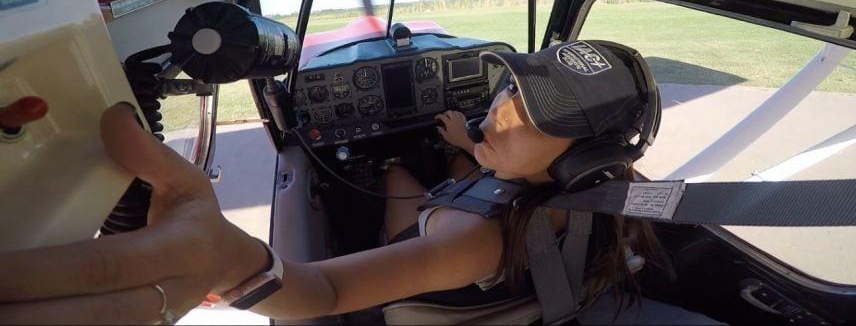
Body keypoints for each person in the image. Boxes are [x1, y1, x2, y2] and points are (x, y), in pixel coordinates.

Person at [0, 40, 669, 324]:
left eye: (527, 117)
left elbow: (326, 290)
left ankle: (382, 171)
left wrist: (228, 259)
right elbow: (505, 162)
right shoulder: (619, 193)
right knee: (464, 162)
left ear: (583, 158)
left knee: (403, 174)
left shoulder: (469, 239)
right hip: (534, 281)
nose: (495, 111)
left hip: (446, 265)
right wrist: (471, 146)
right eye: (507, 89)